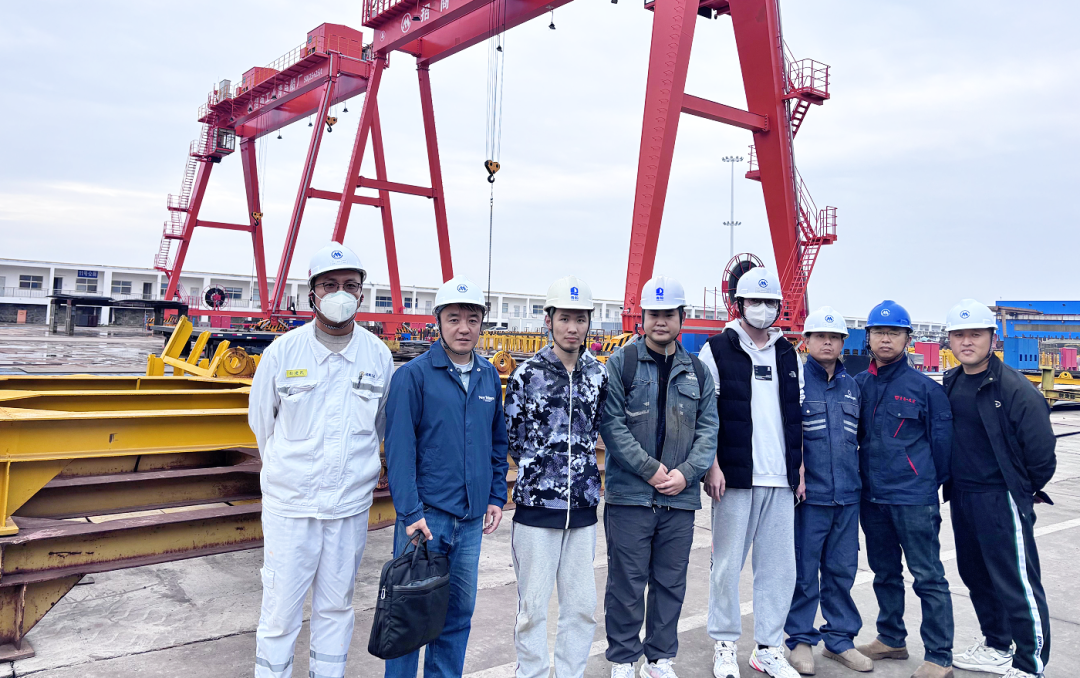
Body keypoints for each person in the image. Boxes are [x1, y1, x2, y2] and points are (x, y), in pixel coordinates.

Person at [248, 242, 394, 678]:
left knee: (336, 608)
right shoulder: (282, 353)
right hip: (290, 508)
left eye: (349, 284)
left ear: (362, 293)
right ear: (312, 293)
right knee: (280, 612)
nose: (340, 293)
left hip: (348, 508)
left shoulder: (378, 356)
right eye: (329, 285)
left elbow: (382, 425)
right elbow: (262, 425)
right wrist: (291, 474)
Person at [383, 275, 509, 678]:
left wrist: (496, 496)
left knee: (457, 616)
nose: (463, 328)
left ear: (482, 323)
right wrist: (410, 512)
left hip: (470, 521)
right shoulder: (413, 376)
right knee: (408, 617)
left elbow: (497, 442)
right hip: (426, 519)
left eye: (472, 320)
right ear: (438, 321)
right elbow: (399, 450)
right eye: (454, 319)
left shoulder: (488, 376)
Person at [600, 275, 718, 678]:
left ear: (682, 317)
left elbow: (709, 429)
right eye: (654, 314)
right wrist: (650, 470)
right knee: (626, 584)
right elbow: (612, 425)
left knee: (670, 583)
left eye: (669, 314)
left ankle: (659, 659)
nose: (661, 321)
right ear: (643, 318)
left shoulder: (698, 372)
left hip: (679, 499)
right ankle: (623, 660)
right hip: (630, 497)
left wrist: (687, 474)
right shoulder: (622, 363)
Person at [504, 275, 609, 678]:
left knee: (581, 608)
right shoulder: (526, 375)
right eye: (564, 318)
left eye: (580, 319)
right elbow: (514, 438)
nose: (573, 328)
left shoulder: (598, 375)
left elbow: (599, 428)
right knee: (531, 608)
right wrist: (542, 471)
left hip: (582, 509)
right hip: (535, 509)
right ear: (548, 320)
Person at [700, 267, 803, 678]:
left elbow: (794, 416)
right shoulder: (716, 350)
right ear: (738, 304)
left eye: (770, 302)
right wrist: (712, 466)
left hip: (780, 479)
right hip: (735, 477)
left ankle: (769, 648)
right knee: (726, 565)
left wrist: (798, 468)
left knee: (779, 569)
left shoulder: (788, 353)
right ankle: (725, 643)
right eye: (754, 301)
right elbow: (706, 415)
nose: (763, 308)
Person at [943, 300, 1055, 678]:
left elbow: (1041, 453)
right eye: (959, 335)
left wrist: (1021, 490)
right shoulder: (951, 381)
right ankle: (996, 645)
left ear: (993, 338)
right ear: (949, 340)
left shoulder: (1014, 388)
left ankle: (1029, 664)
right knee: (976, 576)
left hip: (1000, 497)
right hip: (963, 495)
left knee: (1016, 583)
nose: (967, 342)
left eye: (975, 334)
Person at [854, 300, 954, 678]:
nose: (885, 339)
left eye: (894, 332)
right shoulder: (859, 385)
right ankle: (891, 638)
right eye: (879, 332)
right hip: (872, 498)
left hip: (913, 498)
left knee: (928, 577)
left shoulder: (926, 389)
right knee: (884, 573)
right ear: (868, 338)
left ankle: (939, 656)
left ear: (907, 339)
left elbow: (943, 448)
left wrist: (923, 482)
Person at [783, 307, 872, 675]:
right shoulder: (795, 382)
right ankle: (800, 641)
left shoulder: (853, 386)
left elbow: (861, 439)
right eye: (820, 336)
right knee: (804, 573)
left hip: (847, 496)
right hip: (810, 498)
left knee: (841, 571)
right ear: (806, 341)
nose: (827, 343)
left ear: (843, 343)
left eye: (834, 337)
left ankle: (839, 640)